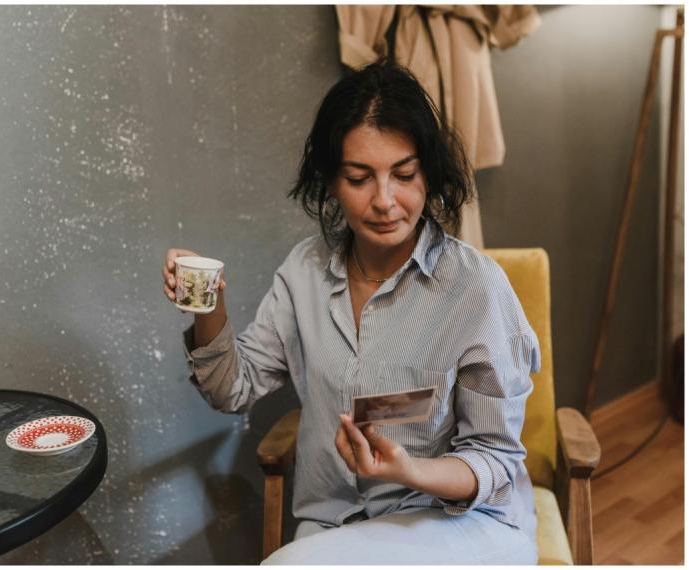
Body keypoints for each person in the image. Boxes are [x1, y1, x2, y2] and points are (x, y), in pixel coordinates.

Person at [161, 60, 540, 564]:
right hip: (333, 525)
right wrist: (208, 304)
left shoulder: (476, 290)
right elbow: (230, 389)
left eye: (404, 175)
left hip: (450, 520)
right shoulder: (304, 272)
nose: (384, 200)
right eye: (359, 178)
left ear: (428, 173)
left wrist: (408, 470)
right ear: (331, 183)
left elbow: (494, 459)